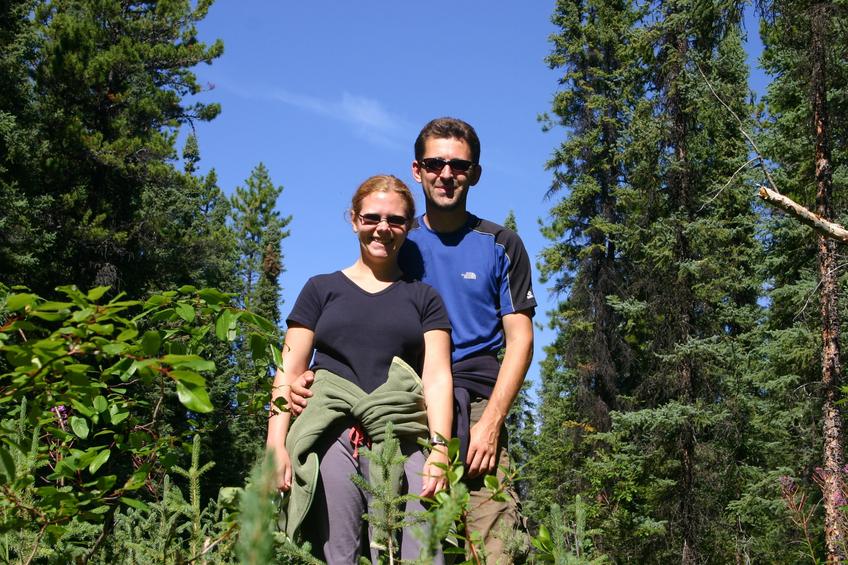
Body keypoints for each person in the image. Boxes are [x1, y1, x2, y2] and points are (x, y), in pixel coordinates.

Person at [290, 118, 537, 563]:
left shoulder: (501, 244)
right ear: (418, 169)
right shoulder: (397, 234)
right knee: (409, 540)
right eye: (435, 163)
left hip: (477, 401)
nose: (447, 174)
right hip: (406, 402)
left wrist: (491, 422)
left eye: (459, 165)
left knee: (495, 541)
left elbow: (520, 339)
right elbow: (357, 308)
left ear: (475, 173)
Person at [265, 175, 453, 564]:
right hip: (334, 437)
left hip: (404, 435)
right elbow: (288, 370)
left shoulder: (423, 298)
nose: (383, 228)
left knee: (422, 550)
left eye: (396, 220)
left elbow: (436, 377)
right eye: (372, 218)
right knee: (338, 555)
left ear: (409, 226)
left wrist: (439, 449)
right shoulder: (321, 289)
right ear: (354, 220)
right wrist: (275, 447)